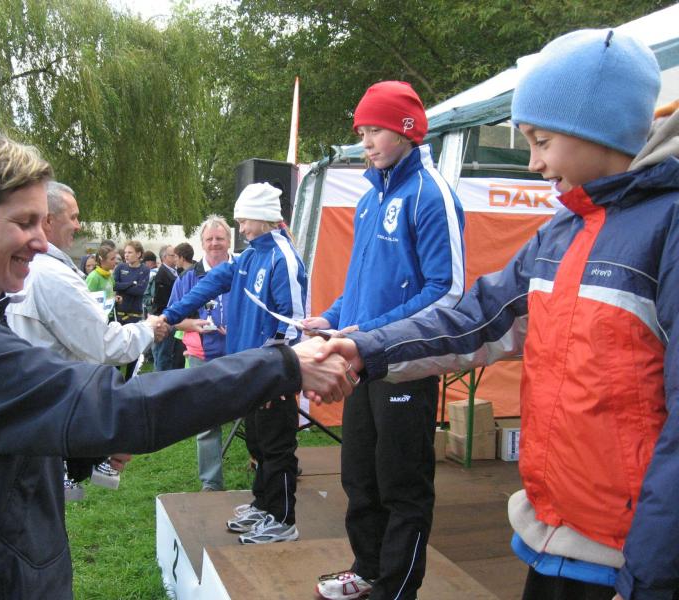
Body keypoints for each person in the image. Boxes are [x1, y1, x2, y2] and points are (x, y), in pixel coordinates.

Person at [0, 125, 354, 599]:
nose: (41, 242)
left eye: (42, 223)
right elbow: (120, 407)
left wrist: (85, 449)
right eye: (24, 223)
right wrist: (280, 366)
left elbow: (2, 444)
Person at [315, 30, 679, 600]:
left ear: (598, 129)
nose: (533, 163)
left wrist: (653, 576)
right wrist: (366, 347)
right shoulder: (563, 230)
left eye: (541, 141)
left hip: (631, 559)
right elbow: (480, 317)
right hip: (554, 537)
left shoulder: (668, 228)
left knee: (401, 484)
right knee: (366, 477)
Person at [304, 80, 465, 600]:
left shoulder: (431, 194)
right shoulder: (370, 198)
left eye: (376, 130)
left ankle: (396, 590)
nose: (366, 142)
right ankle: (368, 570)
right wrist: (330, 319)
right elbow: (362, 286)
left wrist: (373, 332)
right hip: (363, 362)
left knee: (402, 483)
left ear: (407, 130)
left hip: (407, 364)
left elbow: (447, 291)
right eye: (362, 132)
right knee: (359, 476)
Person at [163, 182, 310, 544]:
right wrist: (169, 316)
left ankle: (283, 519)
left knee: (277, 447)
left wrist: (276, 375)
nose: (240, 227)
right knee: (257, 442)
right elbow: (208, 284)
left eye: (244, 220)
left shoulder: (283, 257)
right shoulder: (248, 257)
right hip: (249, 371)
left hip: (270, 374)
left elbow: (293, 325)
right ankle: (263, 504)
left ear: (263, 217)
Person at [6, 182, 162, 498]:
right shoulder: (52, 275)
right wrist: (148, 328)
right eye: (73, 217)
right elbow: (104, 345)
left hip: (34, 412)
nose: (78, 225)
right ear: (48, 219)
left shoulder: (27, 269)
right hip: (54, 414)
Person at [168, 215, 233, 491]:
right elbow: (171, 318)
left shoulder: (242, 270)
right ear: (202, 243)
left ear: (229, 241)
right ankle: (211, 483)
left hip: (240, 353)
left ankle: (264, 466)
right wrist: (194, 324)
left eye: (220, 238)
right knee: (206, 420)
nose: (215, 243)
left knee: (255, 413)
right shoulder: (188, 278)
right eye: (209, 239)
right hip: (201, 356)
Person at [113, 239, 151, 379]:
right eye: (125, 252)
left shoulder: (144, 270)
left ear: (139, 254)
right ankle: (114, 380)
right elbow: (114, 285)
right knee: (117, 349)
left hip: (134, 315)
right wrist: (131, 283)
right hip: (119, 314)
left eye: (130, 252)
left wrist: (124, 287)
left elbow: (139, 291)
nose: (126, 255)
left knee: (133, 350)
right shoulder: (120, 267)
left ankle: (130, 381)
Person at [150, 244, 180, 371]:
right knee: (163, 353)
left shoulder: (174, 272)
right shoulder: (162, 274)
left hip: (169, 316)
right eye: (173, 255)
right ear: (164, 257)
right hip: (164, 318)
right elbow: (160, 300)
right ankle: (159, 377)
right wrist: (164, 318)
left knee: (167, 352)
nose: (176, 258)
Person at [86, 245, 117, 318]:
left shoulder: (109, 275)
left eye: (115, 258)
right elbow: (86, 300)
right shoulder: (93, 277)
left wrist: (114, 298)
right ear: (102, 260)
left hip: (110, 316)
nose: (115, 261)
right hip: (98, 318)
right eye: (112, 259)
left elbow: (109, 294)